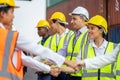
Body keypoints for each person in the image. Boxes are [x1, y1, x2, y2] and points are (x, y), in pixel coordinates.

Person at [0, 0, 71, 79]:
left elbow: (25, 57)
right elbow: (37, 51)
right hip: (53, 70)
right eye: (12, 12)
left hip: (64, 72)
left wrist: (49, 68)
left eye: (40, 29)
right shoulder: (7, 35)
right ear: (2, 14)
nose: (13, 16)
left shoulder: (69, 36)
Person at [76, 15, 116, 80]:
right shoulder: (84, 49)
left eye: (92, 28)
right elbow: (75, 67)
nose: (88, 31)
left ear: (101, 30)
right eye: (88, 28)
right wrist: (60, 68)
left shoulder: (114, 48)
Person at [57, 6, 89, 80]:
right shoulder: (72, 36)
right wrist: (51, 60)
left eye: (74, 19)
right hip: (69, 75)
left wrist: (60, 68)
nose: (71, 22)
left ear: (83, 19)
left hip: (81, 76)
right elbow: (62, 51)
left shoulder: (89, 35)